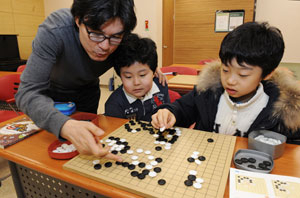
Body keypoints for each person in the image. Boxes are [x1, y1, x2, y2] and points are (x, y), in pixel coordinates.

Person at [15, 0, 166, 161]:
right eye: (96, 34)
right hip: (52, 97)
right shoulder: (54, 30)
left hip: (88, 92)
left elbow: (136, 56)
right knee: (50, 153)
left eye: (115, 37)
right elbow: (27, 92)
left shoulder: (121, 39)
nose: (105, 46)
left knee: (87, 149)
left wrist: (150, 68)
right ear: (78, 20)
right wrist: (63, 125)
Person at [152, 21, 300, 144]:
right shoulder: (208, 92)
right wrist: (170, 113)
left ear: (267, 74)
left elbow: (292, 150)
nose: (230, 81)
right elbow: (182, 108)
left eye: (243, 74)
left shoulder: (285, 111)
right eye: (225, 70)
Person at [105, 33, 170, 121]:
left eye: (142, 75)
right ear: (120, 76)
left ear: (154, 72)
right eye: (128, 77)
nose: (136, 83)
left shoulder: (161, 87)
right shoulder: (114, 103)